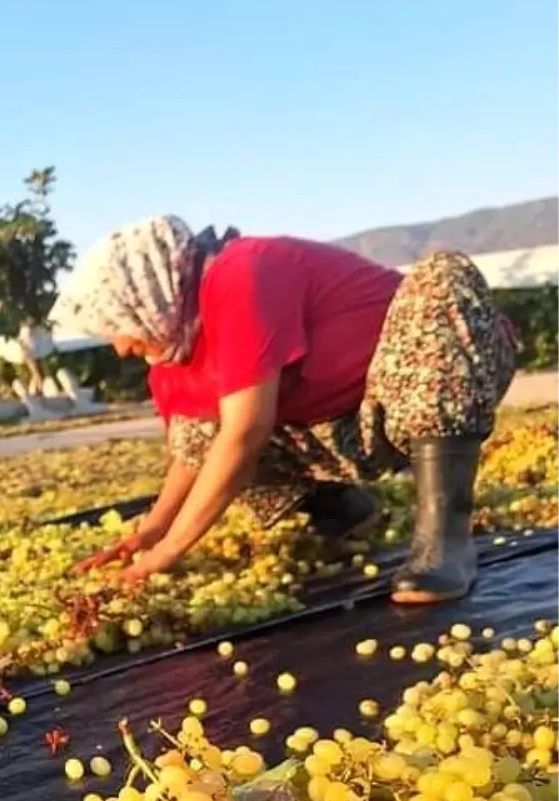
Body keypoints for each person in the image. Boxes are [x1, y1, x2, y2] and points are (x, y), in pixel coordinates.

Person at [56, 217, 517, 604]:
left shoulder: (242, 273)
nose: (118, 347)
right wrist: (151, 531)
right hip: (356, 424)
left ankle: (446, 539)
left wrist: (171, 551)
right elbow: (192, 452)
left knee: (441, 275)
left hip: (451, 374)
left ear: (148, 294)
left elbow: (245, 433)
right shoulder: (175, 348)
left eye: (117, 326)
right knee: (201, 431)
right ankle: (344, 510)